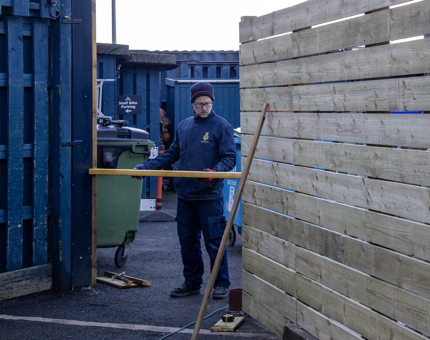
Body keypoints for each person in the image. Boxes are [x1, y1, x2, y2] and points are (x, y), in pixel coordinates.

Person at [134, 82, 236, 299]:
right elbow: (173, 153)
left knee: (214, 241)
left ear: (212, 102)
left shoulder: (222, 126)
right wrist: (147, 166)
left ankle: (221, 283)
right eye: (200, 104)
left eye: (207, 104)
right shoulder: (184, 126)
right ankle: (192, 282)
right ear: (192, 103)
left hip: (208, 194)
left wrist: (214, 172)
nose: (204, 108)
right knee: (187, 241)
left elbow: (229, 157)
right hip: (185, 194)